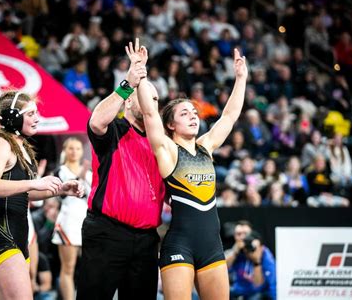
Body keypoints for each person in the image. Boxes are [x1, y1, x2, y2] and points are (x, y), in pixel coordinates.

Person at [136, 44, 248, 299]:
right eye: (184, 113)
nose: (193, 116)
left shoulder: (206, 147)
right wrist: (141, 75)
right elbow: (149, 113)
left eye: (195, 112)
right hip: (179, 245)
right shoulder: (168, 150)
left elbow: (229, 117)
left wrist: (240, 78)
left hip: (212, 246)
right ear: (171, 125)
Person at [76, 39, 166, 300]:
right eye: (146, 94)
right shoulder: (115, 130)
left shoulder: (160, 141)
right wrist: (129, 83)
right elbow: (96, 121)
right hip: (107, 233)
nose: (152, 101)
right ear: (129, 102)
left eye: (156, 98)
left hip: (147, 240)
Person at [0, 90, 83, 299]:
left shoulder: (22, 147)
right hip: (1, 238)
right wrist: (34, 182)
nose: (37, 119)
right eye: (31, 114)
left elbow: (24, 193)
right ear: (13, 118)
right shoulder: (0, 144)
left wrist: (60, 189)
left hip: (18, 237)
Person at [51, 138, 91, 300]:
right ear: (65, 150)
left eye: (78, 149)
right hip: (68, 221)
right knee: (68, 267)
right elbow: (59, 197)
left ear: (82, 152)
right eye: (71, 148)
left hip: (86, 221)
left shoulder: (89, 173)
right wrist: (79, 177)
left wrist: (85, 176)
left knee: (89, 268)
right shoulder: (60, 172)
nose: (74, 152)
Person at [225, 221, 276, 299]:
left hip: (257, 292)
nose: (242, 237)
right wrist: (235, 252)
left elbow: (258, 284)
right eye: (238, 234)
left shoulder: (263, 251)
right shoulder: (234, 251)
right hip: (237, 290)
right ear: (234, 236)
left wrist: (256, 261)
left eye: (245, 234)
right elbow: (223, 269)